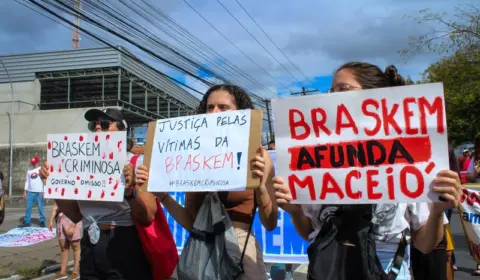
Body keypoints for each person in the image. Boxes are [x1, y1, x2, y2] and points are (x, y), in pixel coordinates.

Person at [273, 62, 460, 280]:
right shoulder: (317, 162)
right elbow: (311, 235)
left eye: (342, 89)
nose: (332, 97)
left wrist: (437, 212)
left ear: (375, 97)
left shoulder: (407, 161)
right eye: (331, 91)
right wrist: (295, 211)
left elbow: (425, 245)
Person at [135, 84, 278, 280]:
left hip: (241, 253)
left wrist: (261, 187)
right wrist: (164, 196)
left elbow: (270, 223)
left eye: (223, 107)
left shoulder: (257, 156)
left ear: (241, 113)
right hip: (200, 251)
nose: (214, 113)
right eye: (210, 107)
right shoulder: (191, 158)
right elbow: (192, 223)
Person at [40, 108, 157, 280]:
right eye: (93, 125)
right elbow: (74, 214)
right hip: (89, 244)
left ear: (122, 130)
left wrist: (132, 191)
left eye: (104, 124)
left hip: (122, 242)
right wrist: (54, 185)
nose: (97, 128)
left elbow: (148, 216)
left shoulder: (136, 162)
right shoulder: (81, 165)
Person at [49, 203, 82, 280]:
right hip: (61, 220)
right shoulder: (60, 193)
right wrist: (51, 219)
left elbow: (79, 210)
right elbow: (55, 206)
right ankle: (62, 272)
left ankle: (75, 272)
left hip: (73, 220)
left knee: (75, 247)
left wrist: (73, 225)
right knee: (64, 248)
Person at [19, 156, 45, 227]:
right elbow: (27, 181)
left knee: (40, 207)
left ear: (38, 162)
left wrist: (44, 191)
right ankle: (27, 221)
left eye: (35, 163)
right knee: (28, 207)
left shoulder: (41, 169)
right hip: (30, 192)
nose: (34, 164)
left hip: (39, 192)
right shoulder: (29, 171)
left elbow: (44, 181)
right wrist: (25, 191)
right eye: (33, 163)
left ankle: (42, 221)